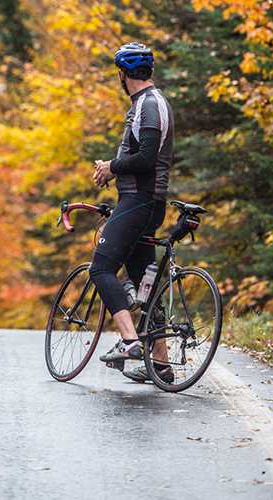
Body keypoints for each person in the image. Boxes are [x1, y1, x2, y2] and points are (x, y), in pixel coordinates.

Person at [90, 41, 174, 384]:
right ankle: (162, 365)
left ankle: (129, 342)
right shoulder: (150, 103)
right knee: (143, 282)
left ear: (123, 75)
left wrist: (111, 166)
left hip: (140, 200)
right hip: (145, 202)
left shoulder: (149, 106)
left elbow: (146, 159)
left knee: (101, 269)